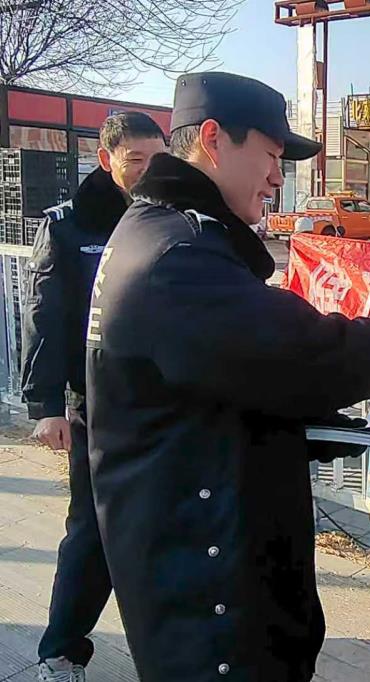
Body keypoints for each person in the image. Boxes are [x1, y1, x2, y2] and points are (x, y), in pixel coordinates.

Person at [84, 72, 370, 681]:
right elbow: (314, 354)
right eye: (270, 154)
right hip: (210, 598)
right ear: (213, 139)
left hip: (192, 559)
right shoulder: (180, 255)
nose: (277, 177)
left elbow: (224, 380)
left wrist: (309, 427)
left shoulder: (162, 231)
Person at [21, 111, 166, 682]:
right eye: (136, 161)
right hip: (97, 407)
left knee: (167, 528)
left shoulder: (172, 219)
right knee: (92, 531)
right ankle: (60, 652)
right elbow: (45, 317)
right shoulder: (69, 227)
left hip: (165, 405)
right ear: (106, 160)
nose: (148, 171)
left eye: (158, 159)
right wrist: (46, 407)